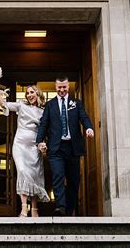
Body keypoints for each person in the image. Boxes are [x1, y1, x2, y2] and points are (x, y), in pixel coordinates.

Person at [36, 76, 94, 216]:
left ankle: (69, 210)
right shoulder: (50, 105)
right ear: (56, 88)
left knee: (74, 180)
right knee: (58, 176)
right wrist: (40, 141)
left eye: (64, 87)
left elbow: (83, 117)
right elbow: (44, 123)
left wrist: (89, 128)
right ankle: (60, 207)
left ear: (68, 87)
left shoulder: (76, 103)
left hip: (73, 148)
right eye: (59, 87)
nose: (62, 90)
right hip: (56, 148)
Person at [0, 83, 49, 217]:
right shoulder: (21, 106)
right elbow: (4, 104)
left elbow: (45, 129)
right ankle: (23, 208)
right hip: (20, 144)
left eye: (32, 92)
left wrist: (43, 144)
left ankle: (34, 209)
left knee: (35, 176)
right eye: (27, 93)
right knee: (22, 171)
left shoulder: (44, 111)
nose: (29, 95)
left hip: (34, 146)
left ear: (37, 93)